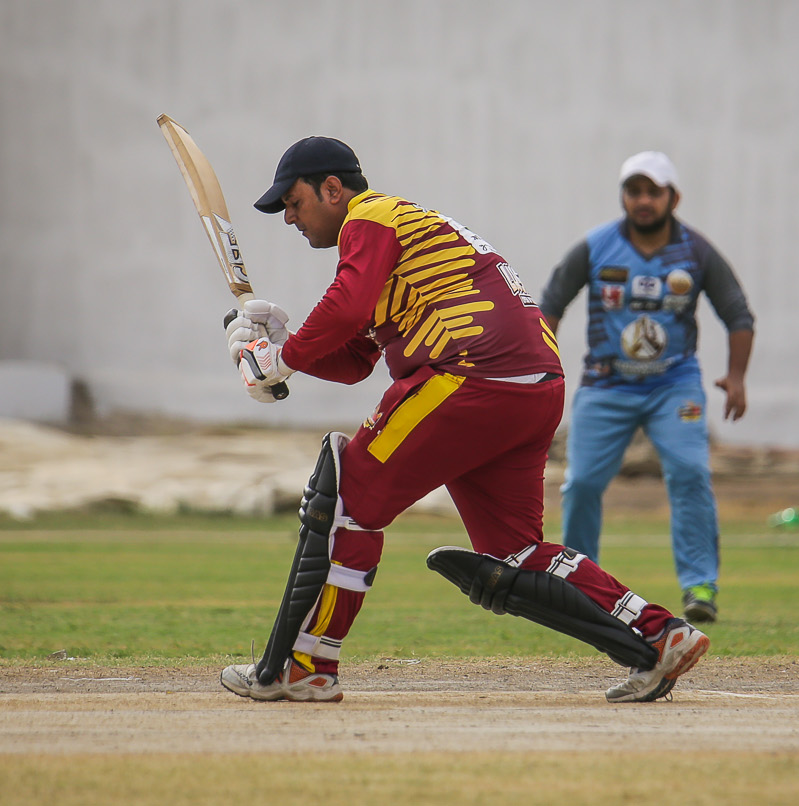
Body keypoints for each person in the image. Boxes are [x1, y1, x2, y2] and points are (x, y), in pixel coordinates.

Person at [215, 136, 709, 704]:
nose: (289, 218)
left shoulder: (370, 216)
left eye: (293, 202)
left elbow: (345, 308)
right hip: (532, 387)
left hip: (472, 374)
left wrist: (280, 360)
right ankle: (659, 633)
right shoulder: (407, 241)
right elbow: (355, 361)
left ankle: (303, 666)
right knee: (515, 553)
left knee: (346, 499)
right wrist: (283, 346)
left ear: (332, 189)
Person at [538, 151, 755, 624]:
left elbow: (738, 314)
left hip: (674, 387)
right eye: (633, 191)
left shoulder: (696, 252)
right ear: (623, 197)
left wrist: (736, 377)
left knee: (690, 473)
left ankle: (700, 586)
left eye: (653, 192)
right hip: (605, 385)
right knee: (581, 483)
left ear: (673, 198)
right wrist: (544, 366)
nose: (642, 201)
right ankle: (580, 585)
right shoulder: (596, 247)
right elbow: (549, 304)